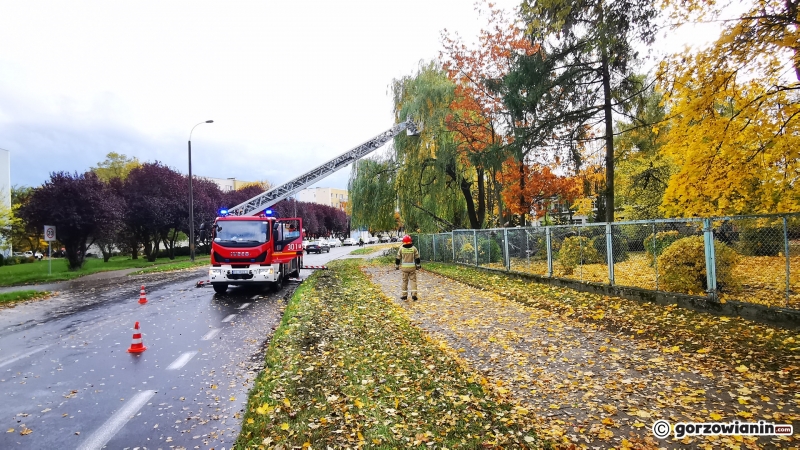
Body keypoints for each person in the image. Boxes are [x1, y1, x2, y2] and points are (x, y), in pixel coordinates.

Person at [395, 235, 421, 301]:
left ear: (403, 241)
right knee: (413, 281)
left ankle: (404, 296)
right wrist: (418, 265)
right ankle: (414, 295)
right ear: (410, 241)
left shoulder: (401, 249)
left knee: (404, 281)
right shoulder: (414, 248)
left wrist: (397, 266)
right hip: (412, 268)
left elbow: (398, 258)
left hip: (404, 268)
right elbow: (417, 258)